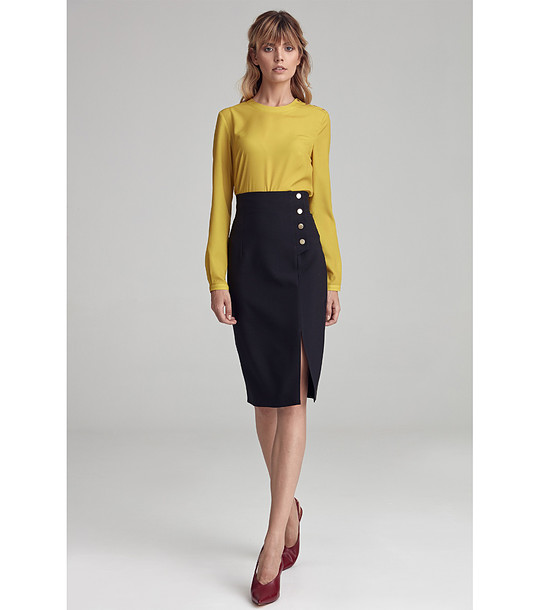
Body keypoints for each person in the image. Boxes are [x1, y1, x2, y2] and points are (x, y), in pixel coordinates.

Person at [204, 10, 342, 605]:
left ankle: (271, 541)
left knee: (293, 398)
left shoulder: (317, 119)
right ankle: (291, 510)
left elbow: (324, 200)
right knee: (265, 399)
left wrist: (334, 275)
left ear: (299, 56)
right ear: (255, 56)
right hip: (250, 260)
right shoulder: (232, 119)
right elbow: (219, 203)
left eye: (289, 47)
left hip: (304, 259)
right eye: (269, 47)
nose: (280, 56)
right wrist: (217, 276)